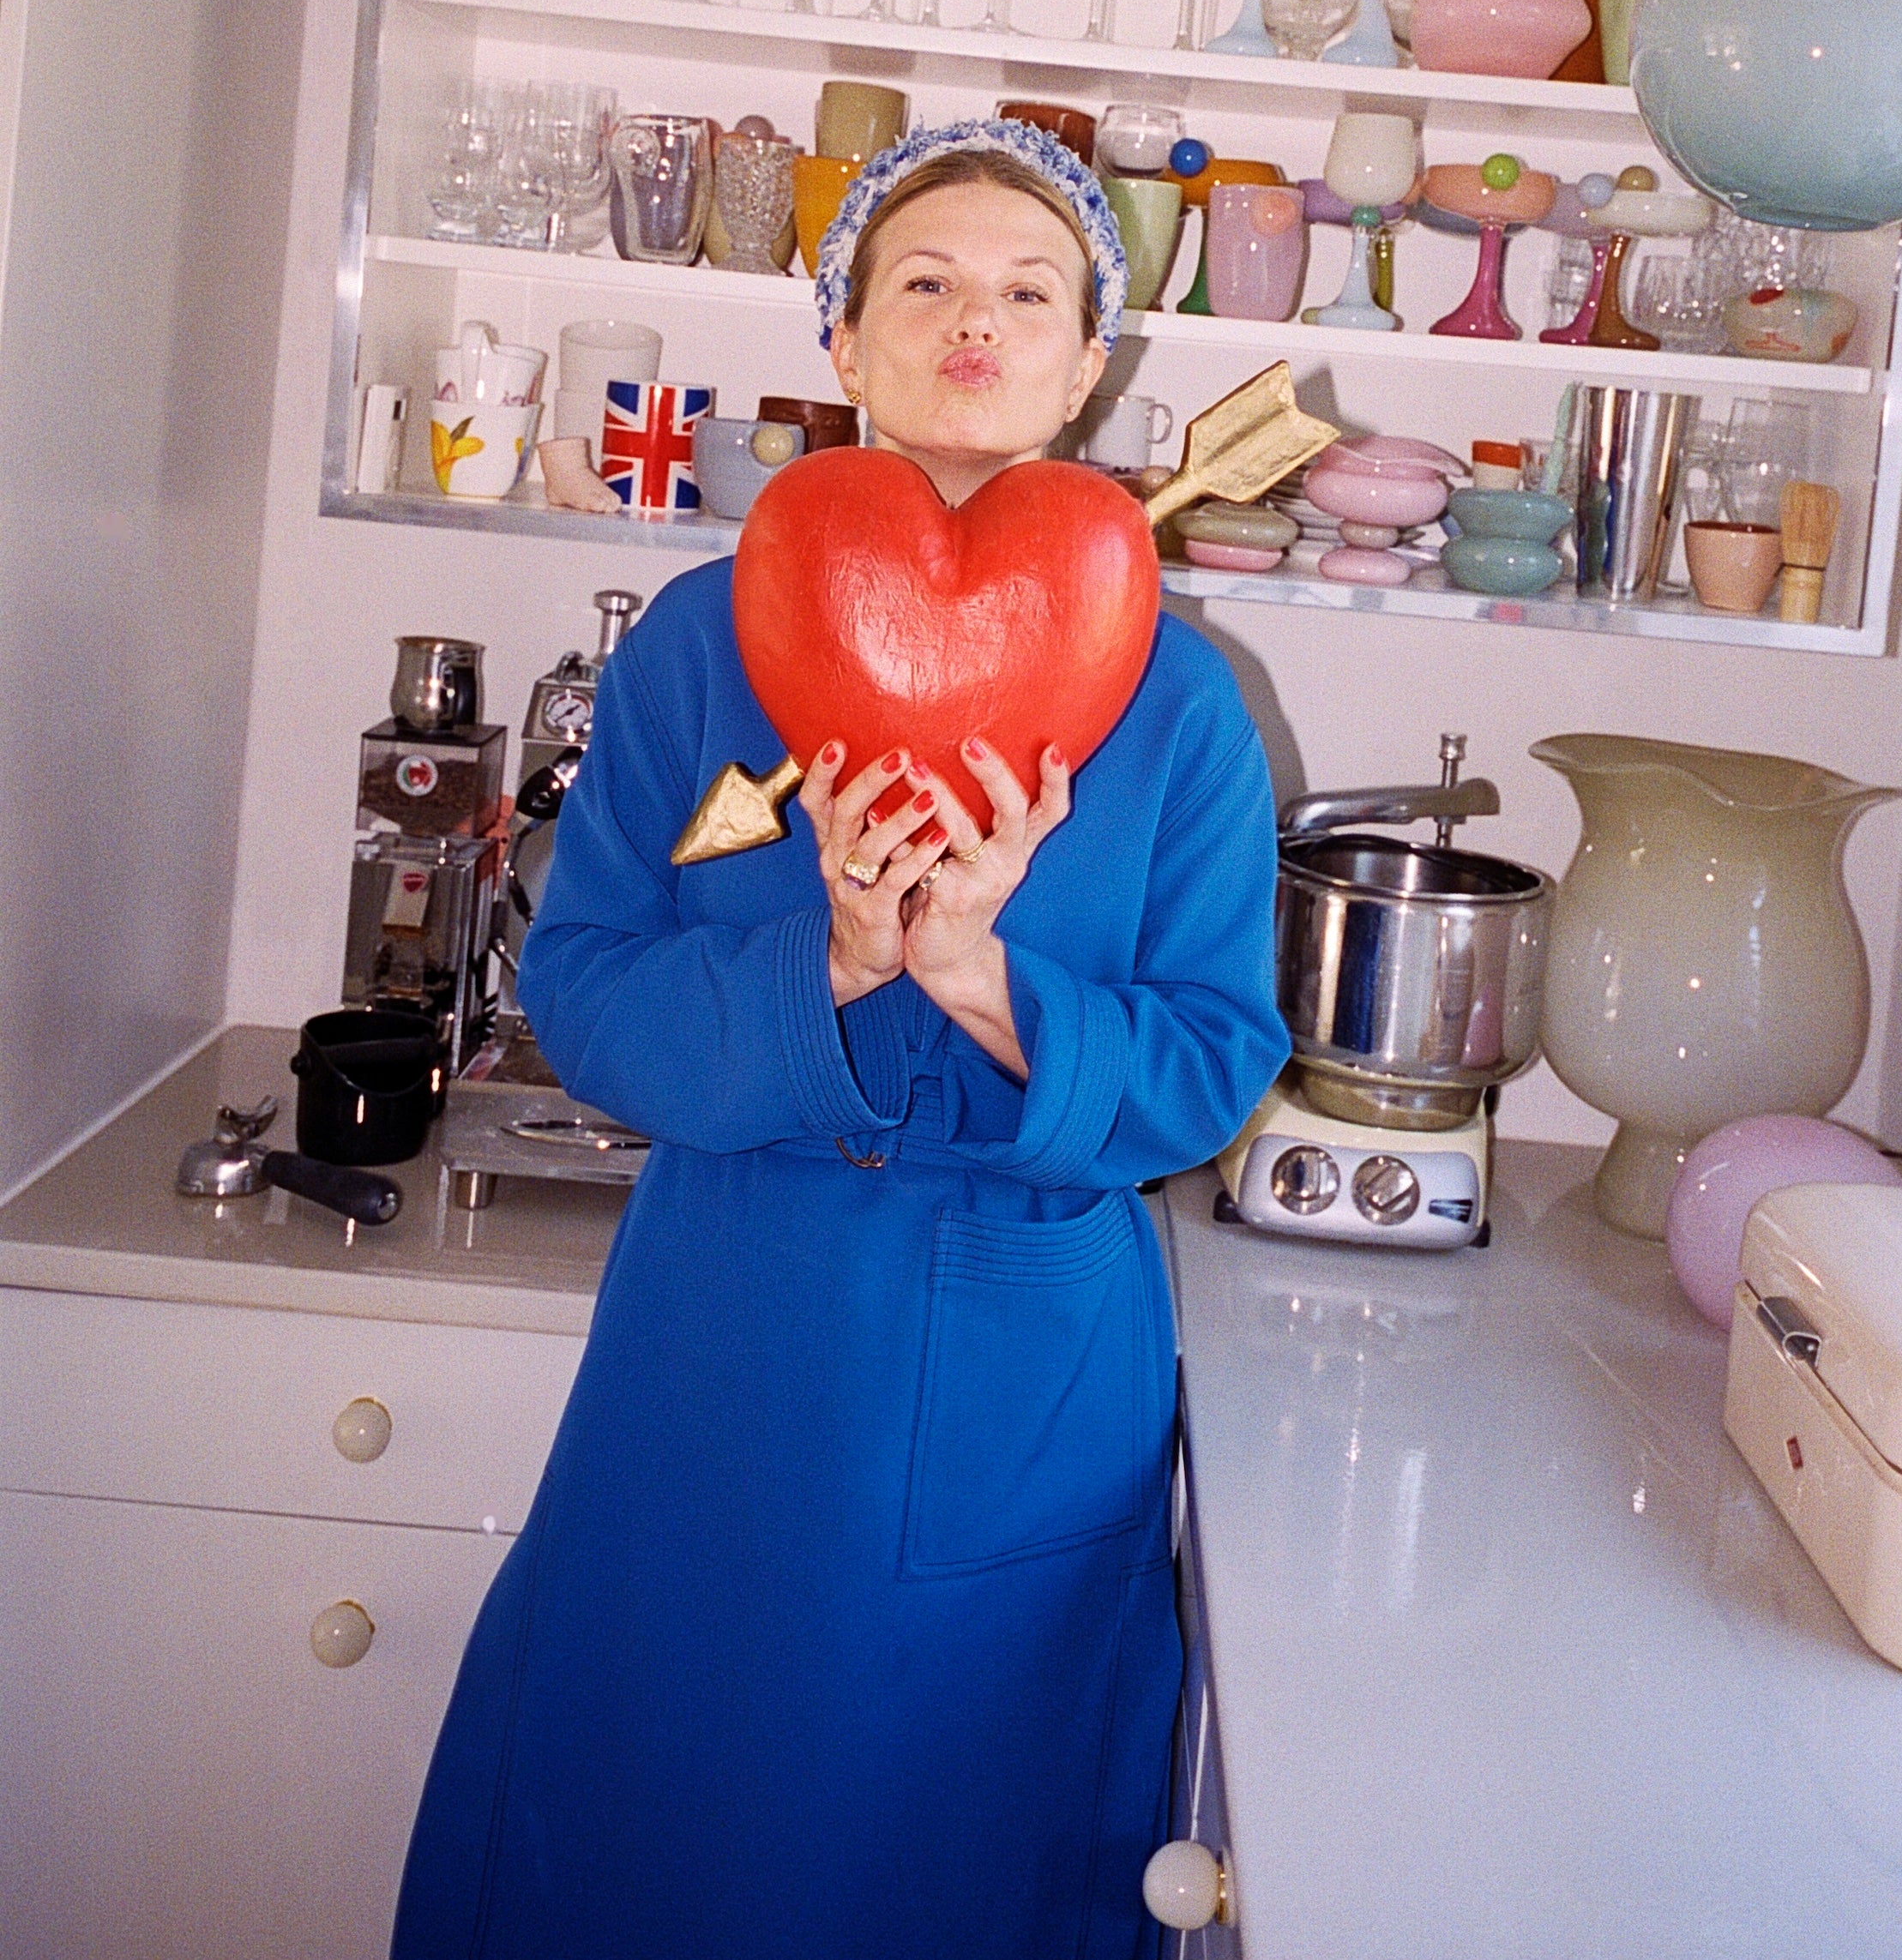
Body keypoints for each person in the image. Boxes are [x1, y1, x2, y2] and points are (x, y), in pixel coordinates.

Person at [392, 119, 1289, 1960]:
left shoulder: (1185, 699)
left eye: (1029, 290)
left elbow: (1210, 1059)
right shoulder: (699, 649)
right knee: (655, 1822)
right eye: (926, 282)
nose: (978, 320)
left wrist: (977, 977)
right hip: (728, 1331)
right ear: (845, 339)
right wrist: (838, 956)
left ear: (1091, 362)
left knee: (963, 1842)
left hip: (1033, 1370)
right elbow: (590, 984)